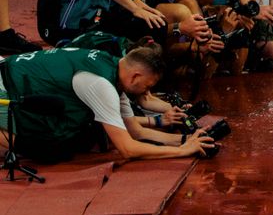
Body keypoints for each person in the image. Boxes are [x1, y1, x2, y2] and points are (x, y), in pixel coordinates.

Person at [0, 40, 214, 166]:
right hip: (5, 85)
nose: (147, 93)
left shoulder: (113, 68)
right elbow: (128, 149)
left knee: (67, 141)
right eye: (147, 87)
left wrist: (185, 140)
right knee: (46, 149)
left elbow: (136, 132)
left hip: (13, 75)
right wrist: (182, 151)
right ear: (135, 77)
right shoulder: (102, 85)